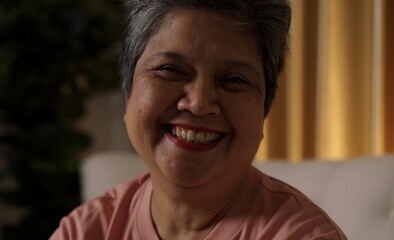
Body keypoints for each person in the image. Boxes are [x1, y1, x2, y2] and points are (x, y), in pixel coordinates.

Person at [51, 0, 347, 239]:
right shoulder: (86, 230)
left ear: (264, 109)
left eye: (234, 79)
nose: (200, 103)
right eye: (170, 70)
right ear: (128, 92)